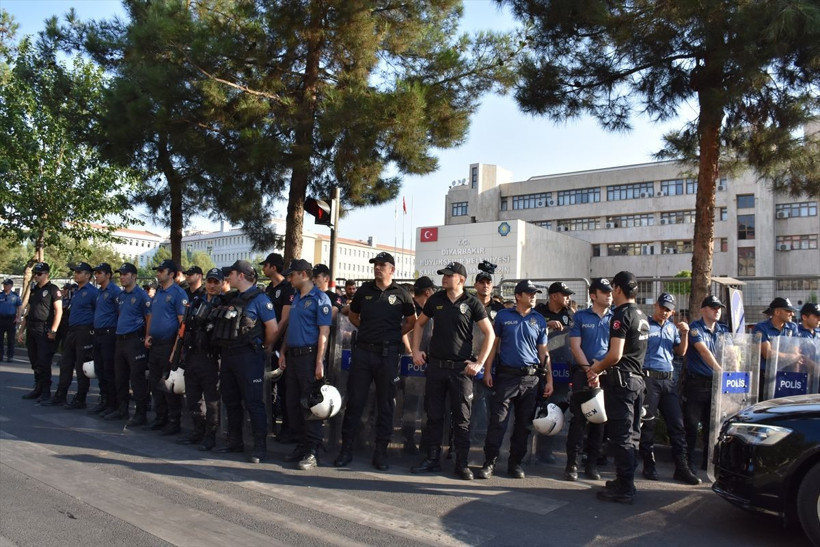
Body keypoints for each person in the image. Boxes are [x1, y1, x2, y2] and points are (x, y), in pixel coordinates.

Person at [410, 261, 494, 480]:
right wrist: (416, 351)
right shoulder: (436, 299)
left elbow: (490, 334)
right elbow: (419, 324)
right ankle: (432, 459)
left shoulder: (472, 302)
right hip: (436, 367)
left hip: (460, 370)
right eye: (443, 275)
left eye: (449, 275)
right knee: (434, 416)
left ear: (462, 280)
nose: (444, 278)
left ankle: (461, 463)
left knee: (462, 419)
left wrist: (479, 363)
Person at [334, 252, 416, 471]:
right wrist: (367, 330)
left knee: (386, 404)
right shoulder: (364, 291)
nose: (377, 268)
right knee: (355, 402)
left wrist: (394, 334)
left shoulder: (401, 294)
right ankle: (346, 449)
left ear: (392, 270)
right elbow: (353, 315)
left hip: (388, 355)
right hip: (363, 353)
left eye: (382, 265)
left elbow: (411, 321)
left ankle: (381, 452)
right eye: (376, 265)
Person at [476, 280, 551, 480]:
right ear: (518, 296)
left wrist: (549, 379)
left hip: (531, 378)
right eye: (529, 293)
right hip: (506, 377)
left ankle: (515, 463)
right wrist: (488, 370)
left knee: (523, 425)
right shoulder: (503, 316)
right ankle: (489, 462)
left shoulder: (539, 320)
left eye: (535, 293)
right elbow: (494, 345)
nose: (533, 296)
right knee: (498, 422)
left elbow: (544, 352)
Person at [586, 271, 649, 504]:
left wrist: (596, 369)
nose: (612, 292)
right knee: (632, 435)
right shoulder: (642, 315)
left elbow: (614, 355)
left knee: (622, 436)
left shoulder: (620, 315)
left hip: (622, 381)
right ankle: (626, 480)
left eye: (613, 288)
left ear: (619, 289)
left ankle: (624, 487)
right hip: (637, 381)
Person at [213, 260, 278, 463]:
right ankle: (235, 442)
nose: (227, 278)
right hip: (230, 355)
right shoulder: (233, 298)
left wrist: (265, 347)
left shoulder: (260, 299)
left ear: (241, 275)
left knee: (253, 402)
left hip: (249, 356)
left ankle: (260, 447)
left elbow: (273, 329)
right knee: (231, 400)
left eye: (230, 274)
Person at [638, 293, 701, 485]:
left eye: (668, 309)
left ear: (672, 311)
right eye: (662, 307)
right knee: (648, 424)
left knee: (677, 424)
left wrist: (684, 334)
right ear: (655, 306)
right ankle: (649, 464)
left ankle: (681, 468)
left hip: (668, 380)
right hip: (649, 378)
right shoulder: (645, 325)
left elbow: (680, 352)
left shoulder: (673, 328)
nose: (664, 312)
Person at [278, 259, 332, 470]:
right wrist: (283, 351)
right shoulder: (297, 299)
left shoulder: (320, 298)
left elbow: (324, 332)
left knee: (310, 404)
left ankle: (312, 449)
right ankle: (301, 444)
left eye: (291, 275)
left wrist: (319, 361)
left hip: (309, 357)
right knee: (292, 403)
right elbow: (291, 327)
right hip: (293, 356)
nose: (289, 279)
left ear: (303, 274)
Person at [565, 277, 613, 481]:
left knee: (599, 421)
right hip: (583, 373)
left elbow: (617, 348)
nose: (609, 295)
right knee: (578, 421)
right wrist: (589, 370)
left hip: (606, 373)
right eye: (604, 292)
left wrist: (600, 370)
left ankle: (592, 464)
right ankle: (572, 465)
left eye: (610, 291)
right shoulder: (581, 317)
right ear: (593, 295)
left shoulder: (616, 317)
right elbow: (575, 346)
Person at [177, 267, 224, 451]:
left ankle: (210, 436)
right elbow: (186, 326)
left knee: (211, 400)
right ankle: (198, 431)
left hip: (211, 357)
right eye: (210, 281)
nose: (212, 286)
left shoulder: (224, 303)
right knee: (193, 398)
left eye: (216, 282)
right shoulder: (196, 301)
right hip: (192, 354)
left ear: (222, 284)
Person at [682, 295, 729, 473]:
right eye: (713, 307)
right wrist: (720, 370)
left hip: (716, 385)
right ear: (703, 310)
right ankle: (687, 463)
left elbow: (732, 352)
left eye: (719, 307)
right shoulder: (696, 328)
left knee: (712, 426)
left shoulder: (723, 331)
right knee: (692, 425)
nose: (717, 310)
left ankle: (708, 462)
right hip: (698, 385)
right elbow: (703, 351)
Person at [44, 262, 99, 409]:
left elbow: (97, 312)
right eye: (75, 272)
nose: (75, 274)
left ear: (88, 275)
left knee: (82, 366)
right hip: (72, 330)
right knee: (66, 364)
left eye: (79, 272)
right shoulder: (77, 291)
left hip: (85, 331)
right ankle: (60, 395)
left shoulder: (93, 292)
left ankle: (81, 398)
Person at [144, 259, 188, 435]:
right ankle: (160, 417)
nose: (158, 273)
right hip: (155, 345)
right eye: (158, 270)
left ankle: (173, 421)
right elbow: (152, 318)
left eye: (162, 270)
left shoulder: (178, 294)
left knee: (169, 385)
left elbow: (182, 324)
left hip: (169, 345)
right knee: (155, 383)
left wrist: (177, 349)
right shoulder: (159, 293)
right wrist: (148, 335)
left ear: (172, 274)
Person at [534, 281, 576, 464]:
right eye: (564, 294)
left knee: (556, 409)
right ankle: (527, 450)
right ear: (553, 296)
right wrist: (546, 324)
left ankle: (546, 450)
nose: (568, 298)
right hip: (540, 368)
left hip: (562, 369)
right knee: (536, 407)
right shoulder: (539, 311)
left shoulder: (570, 314)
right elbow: (530, 324)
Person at [104, 263, 150, 424]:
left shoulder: (141, 295)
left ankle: (140, 413)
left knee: (137, 379)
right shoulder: (121, 296)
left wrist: (147, 336)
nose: (122, 277)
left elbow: (148, 317)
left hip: (134, 340)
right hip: (120, 339)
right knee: (120, 377)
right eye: (121, 274)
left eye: (125, 274)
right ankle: (122, 410)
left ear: (134, 276)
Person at [259, 252, 295, 442]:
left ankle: (288, 428)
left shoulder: (288, 288)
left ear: (273, 267)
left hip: (282, 345)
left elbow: (285, 319)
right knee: (268, 387)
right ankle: (268, 423)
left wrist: (272, 342)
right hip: (267, 344)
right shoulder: (267, 290)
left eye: (265, 265)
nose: (263, 269)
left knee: (285, 389)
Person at [469, 266, 506, 446]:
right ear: (475, 285)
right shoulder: (466, 304)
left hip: (492, 361)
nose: (485, 286)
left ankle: (482, 438)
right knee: (469, 401)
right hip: (469, 358)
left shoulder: (500, 309)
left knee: (488, 401)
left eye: (488, 283)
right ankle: (465, 437)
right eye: (481, 282)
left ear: (492, 286)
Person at [18, 262, 63, 403]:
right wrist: (21, 330)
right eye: (34, 273)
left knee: (44, 361)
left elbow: (58, 311)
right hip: (31, 327)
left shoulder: (53, 289)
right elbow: (28, 311)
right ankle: (38, 387)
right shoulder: (34, 289)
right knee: (34, 360)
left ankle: (45, 391)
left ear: (46, 274)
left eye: (39, 274)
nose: (36, 276)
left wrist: (54, 330)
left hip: (44, 329)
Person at [88, 263, 121, 415]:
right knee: (99, 369)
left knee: (108, 370)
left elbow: (119, 312)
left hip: (109, 333)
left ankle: (112, 403)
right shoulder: (99, 292)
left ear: (108, 275)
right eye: (96, 273)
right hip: (98, 333)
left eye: (100, 273)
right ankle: (104, 399)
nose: (97, 275)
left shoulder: (114, 291)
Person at [753, 297, 799, 399]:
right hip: (766, 376)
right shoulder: (761, 327)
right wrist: (789, 356)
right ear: (777, 312)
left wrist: (790, 356)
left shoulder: (792, 327)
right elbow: (768, 354)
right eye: (788, 311)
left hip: (786, 376)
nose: (792, 314)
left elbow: (795, 353)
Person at [0, 279, 22, 362]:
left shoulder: (15, 296)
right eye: (4, 284)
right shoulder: (0, 295)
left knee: (11, 339)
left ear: (11, 286)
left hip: (11, 319)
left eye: (6, 284)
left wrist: (18, 317)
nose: (5, 286)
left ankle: (10, 356)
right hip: (1, 318)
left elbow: (19, 306)